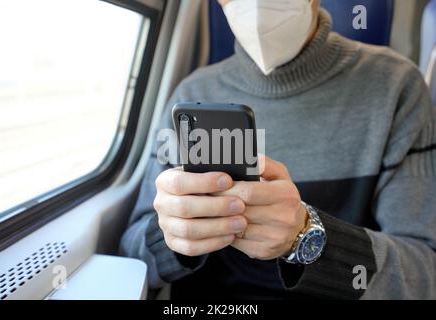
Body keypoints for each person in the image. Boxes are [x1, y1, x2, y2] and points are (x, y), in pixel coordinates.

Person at [120, 0, 436, 299]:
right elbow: (131, 257)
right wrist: (174, 237)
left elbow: (425, 274)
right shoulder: (193, 93)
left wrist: (307, 237)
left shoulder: (395, 86)